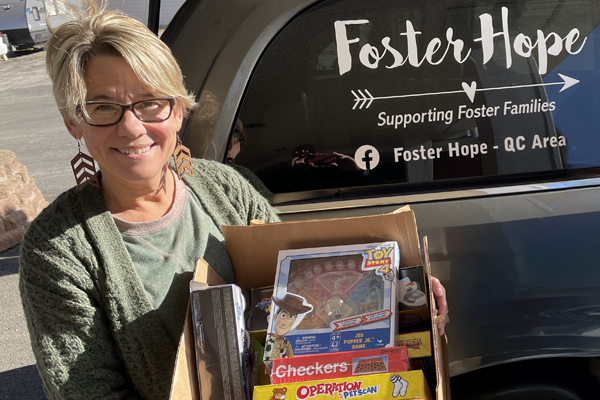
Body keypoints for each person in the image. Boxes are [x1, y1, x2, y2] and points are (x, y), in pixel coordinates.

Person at [18, 1, 447, 399]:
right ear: (74, 121)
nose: (132, 127)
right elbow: (89, 392)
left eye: (150, 103)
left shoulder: (228, 189)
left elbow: (307, 301)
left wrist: (401, 307)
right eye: (104, 107)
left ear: (179, 110)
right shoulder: (57, 250)